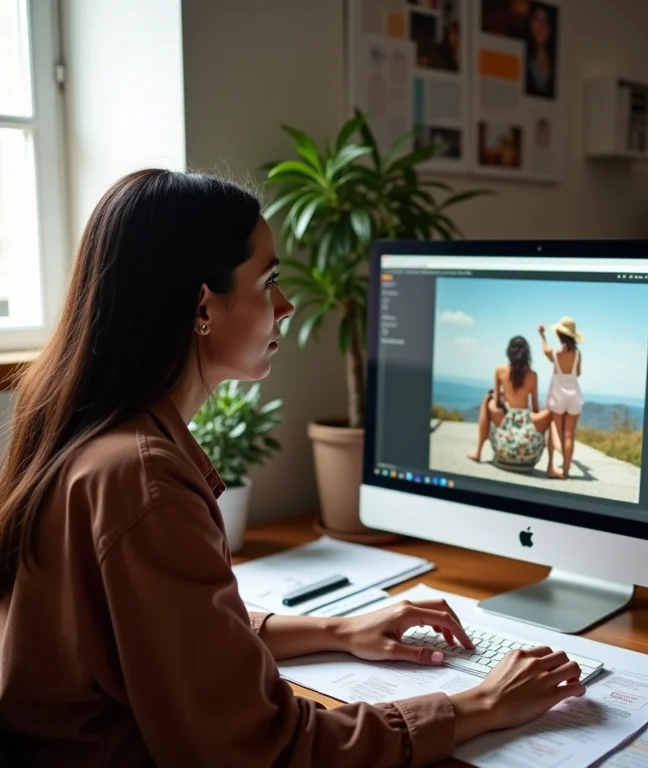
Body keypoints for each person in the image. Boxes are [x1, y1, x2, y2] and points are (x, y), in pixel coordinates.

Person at [0, 169, 586, 767]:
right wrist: (480, 703)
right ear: (202, 306)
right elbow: (267, 750)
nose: (285, 305)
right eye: (269, 281)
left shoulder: (92, 437)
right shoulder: (144, 479)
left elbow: (175, 635)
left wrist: (338, 631)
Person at [468, 336, 552, 468]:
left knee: (487, 399)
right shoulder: (533, 375)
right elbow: (535, 408)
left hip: (504, 446)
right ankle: (551, 465)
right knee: (552, 412)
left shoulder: (499, 370)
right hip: (528, 451)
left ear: (509, 352)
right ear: (526, 355)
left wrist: (499, 395)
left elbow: (497, 403)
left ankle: (478, 451)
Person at [539, 317, 584, 479]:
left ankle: (551, 465)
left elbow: (545, 350)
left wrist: (542, 335)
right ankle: (565, 471)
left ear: (559, 334)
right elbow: (578, 373)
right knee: (569, 435)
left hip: (557, 394)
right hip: (573, 395)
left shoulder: (556, 353)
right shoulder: (578, 354)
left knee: (555, 432)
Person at [525, 3, 555, 98]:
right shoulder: (523, 56)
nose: (540, 26)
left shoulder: (555, 60)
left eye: (544, 22)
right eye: (536, 20)